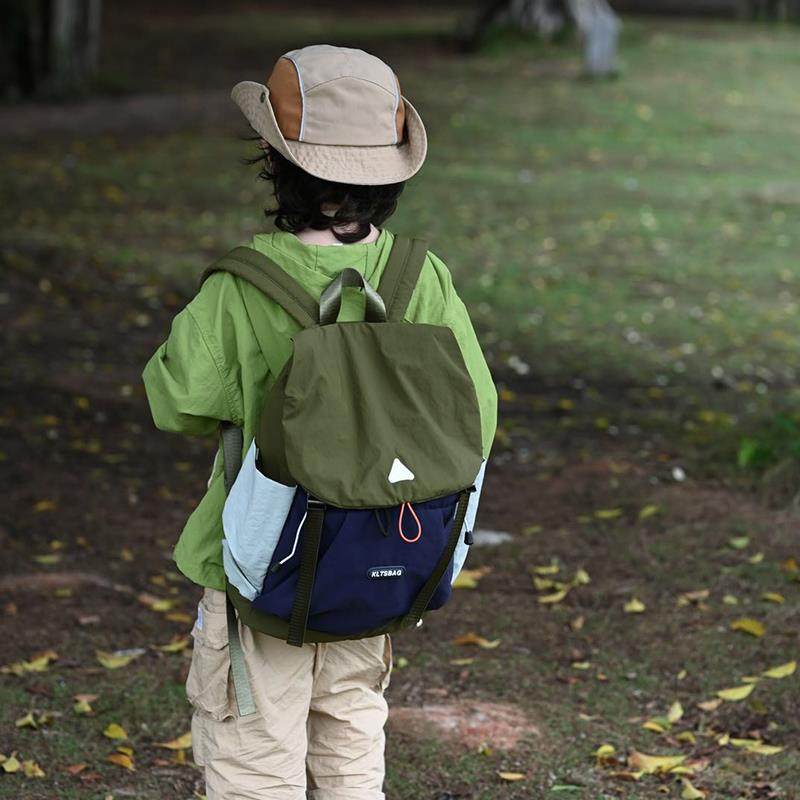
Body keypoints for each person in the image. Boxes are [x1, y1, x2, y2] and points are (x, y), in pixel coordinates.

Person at [142, 44, 497, 800]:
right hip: (377, 553)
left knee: (251, 753)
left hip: (259, 560)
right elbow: (479, 412)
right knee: (350, 731)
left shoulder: (241, 286)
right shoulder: (420, 276)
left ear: (276, 162)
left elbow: (175, 400)